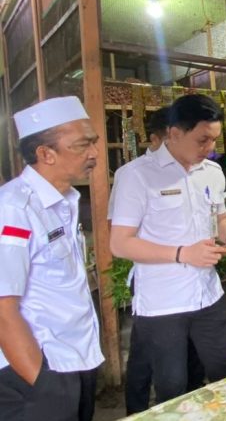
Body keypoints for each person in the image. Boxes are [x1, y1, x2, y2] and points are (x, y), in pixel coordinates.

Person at [110, 94, 226, 405]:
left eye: (214, 140)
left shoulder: (211, 171)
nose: (210, 148)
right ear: (175, 134)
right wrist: (183, 253)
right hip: (163, 304)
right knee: (173, 388)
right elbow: (120, 243)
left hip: (208, 294)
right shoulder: (136, 175)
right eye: (202, 140)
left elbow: (219, 215)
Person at [0, 97, 103, 420]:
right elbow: (3, 308)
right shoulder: (15, 208)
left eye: (94, 142)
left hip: (76, 358)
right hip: (39, 369)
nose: (94, 153)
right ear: (46, 154)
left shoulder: (65, 201)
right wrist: (41, 383)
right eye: (82, 145)